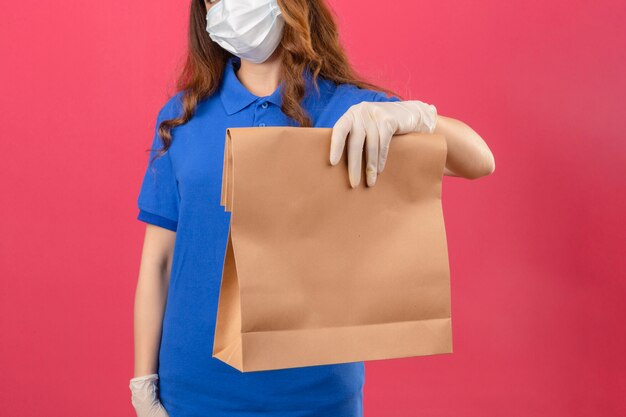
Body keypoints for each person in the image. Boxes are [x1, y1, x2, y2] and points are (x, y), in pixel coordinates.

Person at [129, 0, 495, 416]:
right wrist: (144, 384)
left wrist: (416, 117)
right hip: (194, 392)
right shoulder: (182, 117)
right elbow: (158, 262)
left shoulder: (350, 110)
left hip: (317, 397)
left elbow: (480, 160)